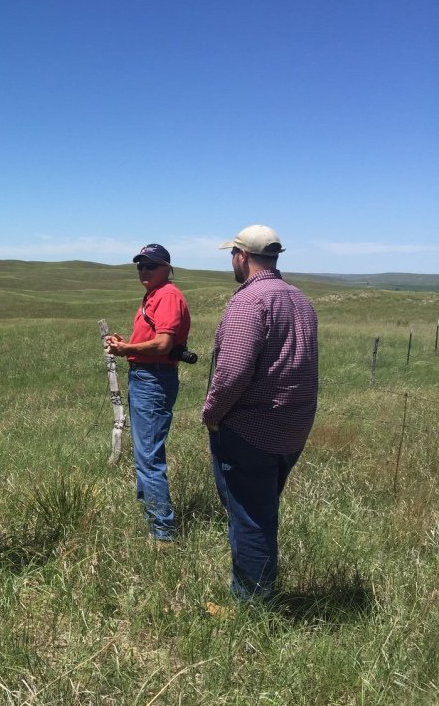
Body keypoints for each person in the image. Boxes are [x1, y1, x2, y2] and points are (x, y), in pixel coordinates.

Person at [202, 225, 318, 601]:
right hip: (291, 428)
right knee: (261, 511)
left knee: (250, 517)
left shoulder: (249, 302)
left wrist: (212, 413)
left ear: (242, 256)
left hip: (250, 428)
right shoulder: (299, 299)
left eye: (231, 255)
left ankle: (253, 604)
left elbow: (232, 371)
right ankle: (257, 592)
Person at [105, 244, 191, 543]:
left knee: (149, 457)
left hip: (153, 378)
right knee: (145, 452)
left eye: (150, 265)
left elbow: (163, 345)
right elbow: (153, 340)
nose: (144, 270)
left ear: (166, 268)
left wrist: (126, 349)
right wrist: (127, 344)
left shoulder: (167, 295)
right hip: (145, 375)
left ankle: (162, 532)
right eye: (140, 265)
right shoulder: (154, 295)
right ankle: (151, 518)